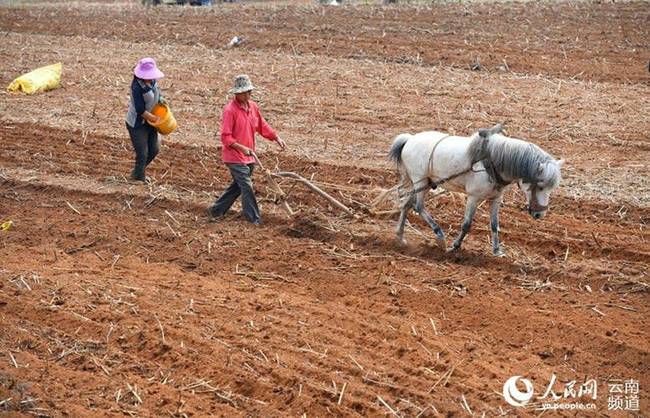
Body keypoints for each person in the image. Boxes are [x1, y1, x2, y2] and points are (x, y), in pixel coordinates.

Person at [207, 74, 286, 224]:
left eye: (249, 91)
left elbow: (262, 126)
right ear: (237, 93)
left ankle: (216, 210)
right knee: (247, 186)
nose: (249, 94)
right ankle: (254, 219)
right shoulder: (230, 110)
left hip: (250, 156)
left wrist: (276, 137)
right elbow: (225, 137)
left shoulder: (253, 107)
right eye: (245, 92)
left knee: (237, 186)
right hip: (234, 156)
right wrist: (240, 147)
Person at [125, 57, 165, 182]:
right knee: (142, 153)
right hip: (137, 124)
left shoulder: (153, 81)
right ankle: (139, 180)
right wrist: (154, 118)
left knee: (154, 150)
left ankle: (137, 173)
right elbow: (140, 110)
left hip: (150, 123)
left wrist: (162, 102)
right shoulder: (137, 87)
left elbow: (158, 94)